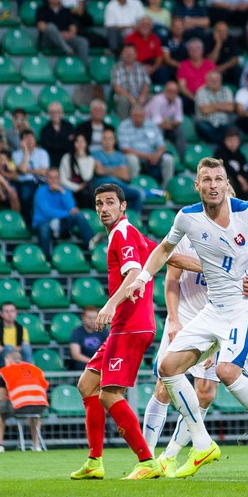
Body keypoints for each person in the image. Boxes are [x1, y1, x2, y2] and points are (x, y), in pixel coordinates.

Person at [125, 159, 248, 478]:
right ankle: (200, 442)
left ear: (226, 184)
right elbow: (164, 250)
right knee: (167, 368)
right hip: (212, 311)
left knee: (226, 371)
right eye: (206, 179)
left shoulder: (247, 211)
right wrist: (142, 277)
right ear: (197, 186)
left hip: (246, 306)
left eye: (218, 179)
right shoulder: (187, 217)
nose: (212, 184)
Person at [69, 184, 160, 480]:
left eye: (110, 202)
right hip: (127, 326)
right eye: (99, 204)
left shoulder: (122, 233)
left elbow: (134, 273)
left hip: (129, 325)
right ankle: (95, 461)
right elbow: (162, 256)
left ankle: (147, 461)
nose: (103, 208)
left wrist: (108, 306)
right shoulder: (133, 235)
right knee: (87, 385)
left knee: (109, 395)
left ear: (123, 206)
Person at [141, 235, 212, 472]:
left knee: (205, 394)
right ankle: (145, 458)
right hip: (184, 319)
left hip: (216, 323)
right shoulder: (187, 232)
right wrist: (173, 320)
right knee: (163, 388)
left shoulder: (237, 238)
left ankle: (169, 456)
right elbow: (171, 278)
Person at [0, 350, 49, 453]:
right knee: (34, 415)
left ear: (8, 360)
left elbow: (2, 398)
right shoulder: (36, 369)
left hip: (19, 406)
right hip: (40, 405)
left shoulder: (6, 371)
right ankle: (36, 445)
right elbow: (44, 387)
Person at [32, 167, 93, 259]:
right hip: (44, 221)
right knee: (44, 229)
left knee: (79, 215)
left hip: (62, 223)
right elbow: (47, 212)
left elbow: (72, 208)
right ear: (46, 179)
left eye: (55, 177)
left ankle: (91, 244)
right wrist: (68, 213)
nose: (53, 180)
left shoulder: (64, 191)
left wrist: (62, 191)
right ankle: (46, 260)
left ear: (59, 179)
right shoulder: (40, 191)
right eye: (50, 177)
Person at [91, 127, 144, 211]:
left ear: (114, 140)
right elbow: (99, 171)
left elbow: (125, 175)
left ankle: (131, 220)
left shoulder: (120, 156)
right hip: (102, 185)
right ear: (101, 140)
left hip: (119, 186)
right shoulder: (95, 153)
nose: (107, 141)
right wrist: (117, 170)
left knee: (139, 194)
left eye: (110, 138)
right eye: (105, 138)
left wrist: (106, 170)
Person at [11, 129, 50, 222]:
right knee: (25, 196)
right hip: (25, 182)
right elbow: (22, 169)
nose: (29, 140)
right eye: (26, 138)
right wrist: (26, 153)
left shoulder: (42, 152)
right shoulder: (16, 154)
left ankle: (44, 221)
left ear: (35, 140)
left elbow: (44, 172)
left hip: (41, 181)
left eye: (31, 138)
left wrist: (28, 170)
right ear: (21, 141)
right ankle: (27, 222)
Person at [145, 80, 185, 157]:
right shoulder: (157, 99)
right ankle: (158, 156)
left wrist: (170, 123)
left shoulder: (178, 100)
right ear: (165, 91)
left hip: (167, 126)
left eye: (174, 91)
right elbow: (156, 121)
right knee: (158, 130)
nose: (172, 93)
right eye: (170, 90)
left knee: (179, 131)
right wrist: (170, 123)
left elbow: (179, 119)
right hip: (150, 126)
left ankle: (181, 157)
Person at [0, 303, 31, 370]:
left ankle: (28, 372)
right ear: (1, 314)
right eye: (6, 311)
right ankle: (11, 373)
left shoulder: (22, 329)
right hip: (0, 362)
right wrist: (15, 349)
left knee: (26, 348)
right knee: (8, 348)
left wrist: (12, 349)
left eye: (12, 311)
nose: (10, 314)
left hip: (18, 359)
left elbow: (25, 345)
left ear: (16, 313)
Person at [69, 306, 107, 371]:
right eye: (89, 318)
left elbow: (110, 349)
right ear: (83, 317)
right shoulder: (77, 332)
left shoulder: (104, 331)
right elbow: (76, 355)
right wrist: (93, 363)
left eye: (95, 318)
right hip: (84, 363)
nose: (92, 321)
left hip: (101, 361)